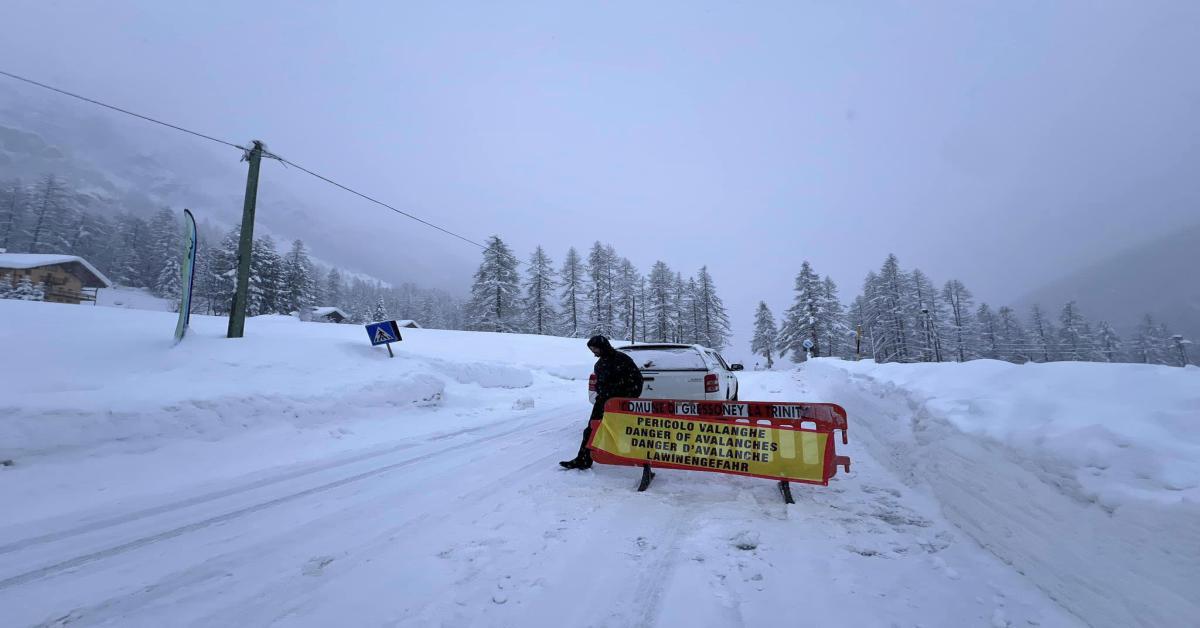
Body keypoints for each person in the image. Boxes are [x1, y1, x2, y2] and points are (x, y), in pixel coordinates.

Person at [559, 335, 643, 470]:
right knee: (591, 429)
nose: (594, 352)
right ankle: (583, 459)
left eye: (595, 348)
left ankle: (641, 462)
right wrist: (601, 393)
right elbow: (600, 384)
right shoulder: (599, 364)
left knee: (627, 432)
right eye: (592, 349)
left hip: (620, 403)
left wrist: (627, 398)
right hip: (603, 402)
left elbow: (637, 381)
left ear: (603, 346)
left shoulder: (622, 359)